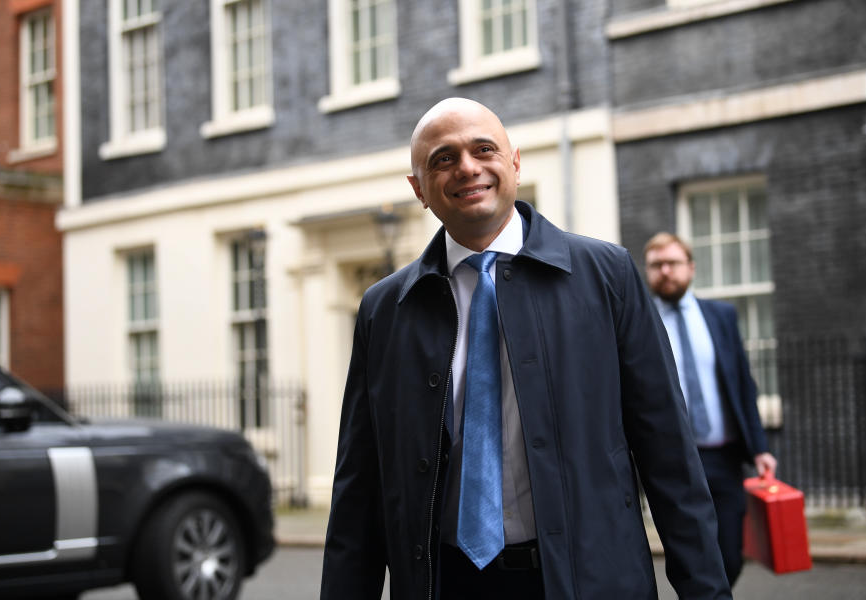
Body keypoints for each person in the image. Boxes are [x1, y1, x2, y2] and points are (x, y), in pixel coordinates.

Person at [320, 98, 731, 599]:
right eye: (443, 159)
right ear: (419, 189)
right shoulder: (385, 309)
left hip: (586, 583)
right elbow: (358, 490)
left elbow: (669, 455)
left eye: (483, 149)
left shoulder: (607, 276)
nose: (467, 167)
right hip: (445, 584)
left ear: (514, 162)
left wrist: (707, 592)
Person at [643, 232, 778, 586]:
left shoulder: (721, 316)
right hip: (673, 459)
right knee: (690, 554)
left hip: (724, 458)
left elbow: (743, 385)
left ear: (691, 268)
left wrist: (760, 448)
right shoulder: (640, 322)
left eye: (673, 263)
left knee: (730, 555)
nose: (665, 272)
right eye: (657, 265)